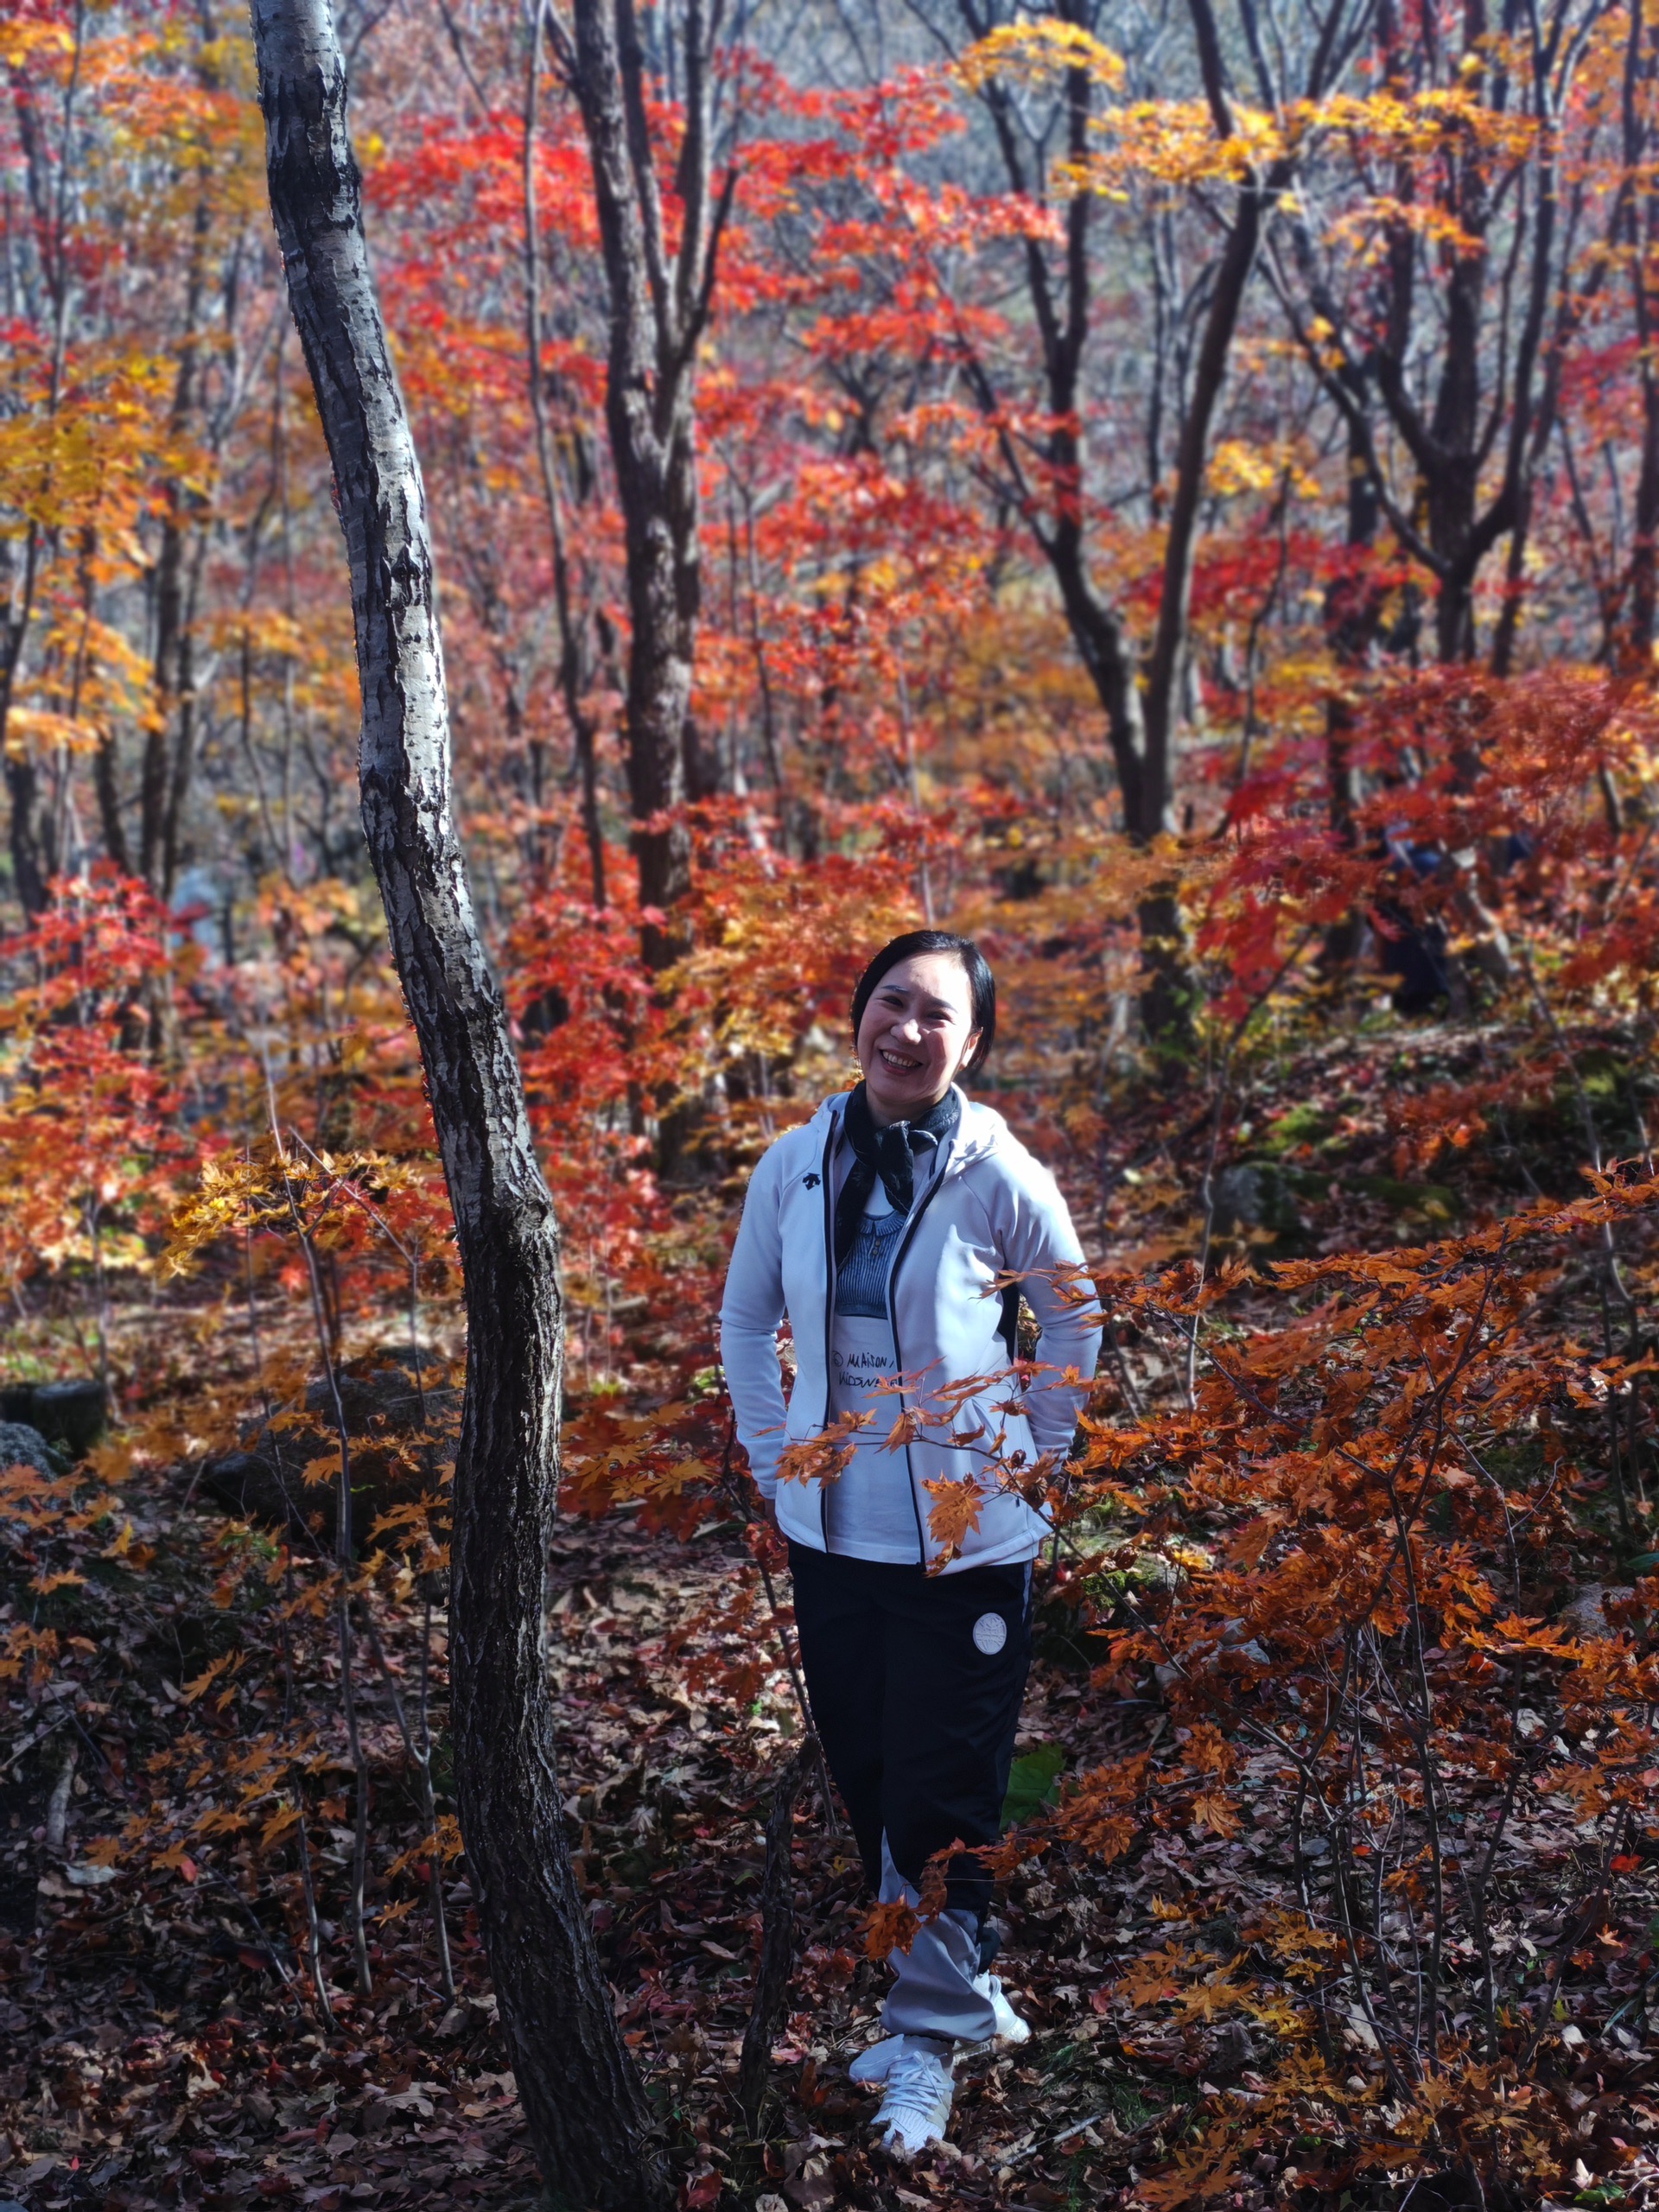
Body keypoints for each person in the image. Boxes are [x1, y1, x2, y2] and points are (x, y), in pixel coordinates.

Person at [719, 930, 1099, 2157]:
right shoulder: (795, 1163)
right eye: (893, 1003)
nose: (909, 1030)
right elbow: (746, 1322)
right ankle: (953, 1992)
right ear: (858, 1014)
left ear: (973, 1044)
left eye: (939, 1016)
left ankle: (924, 2044)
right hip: (835, 1532)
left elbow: (1074, 1317)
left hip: (966, 1540)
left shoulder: (1000, 1171)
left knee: (944, 1792)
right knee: (874, 1778)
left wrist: (1029, 1458)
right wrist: (781, 1452)